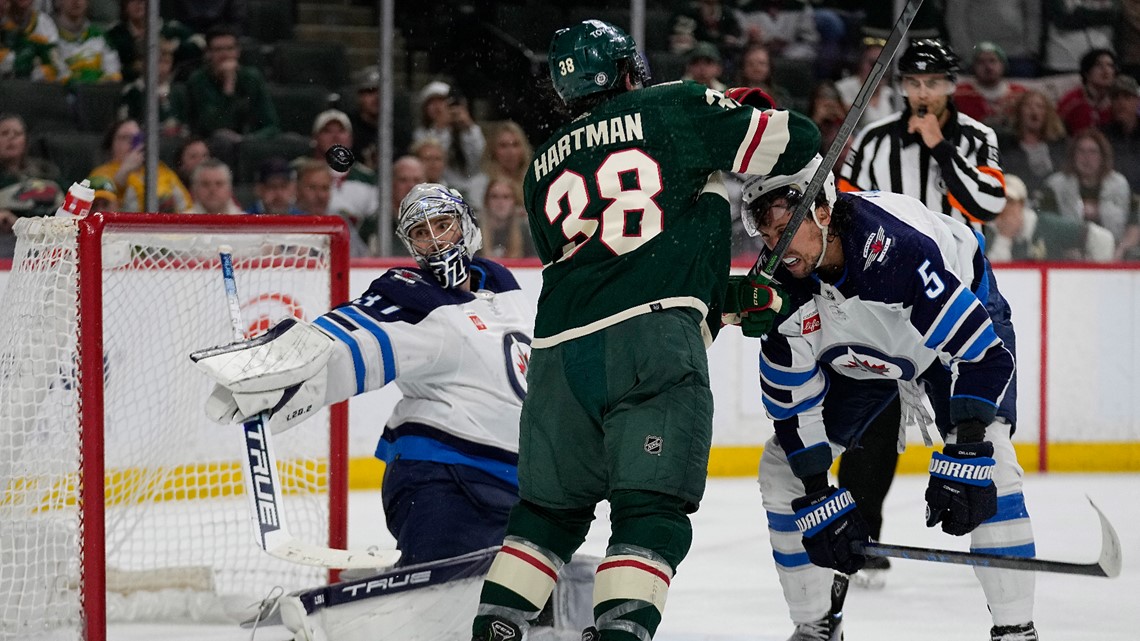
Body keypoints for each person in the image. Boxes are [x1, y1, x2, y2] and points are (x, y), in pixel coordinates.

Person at [469, 19, 820, 641]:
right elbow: (796, 142)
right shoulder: (673, 106)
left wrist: (728, 302)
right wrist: (738, 106)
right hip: (650, 348)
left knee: (546, 517)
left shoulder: (540, 168)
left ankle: (495, 626)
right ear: (629, 70)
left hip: (555, 358)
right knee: (650, 512)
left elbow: (618, 265)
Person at [738, 155, 1037, 641]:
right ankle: (816, 625)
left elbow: (984, 357)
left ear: (822, 213)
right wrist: (817, 493)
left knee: (994, 463)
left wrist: (969, 446)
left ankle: (1016, 631)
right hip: (859, 351)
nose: (776, 248)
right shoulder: (777, 290)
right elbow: (792, 407)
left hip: (948, 344)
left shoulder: (895, 249)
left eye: (784, 229)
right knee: (781, 470)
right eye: (767, 235)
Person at [191, 183, 534, 567]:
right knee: (439, 603)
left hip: (515, 489)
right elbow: (345, 344)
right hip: (447, 482)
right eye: (421, 233)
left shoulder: (502, 284)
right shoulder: (413, 299)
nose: (435, 241)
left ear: (467, 225)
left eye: (443, 224)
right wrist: (277, 374)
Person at [838, 38, 1007, 589]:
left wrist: (940, 149)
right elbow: (846, 213)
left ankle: (991, 531)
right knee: (872, 425)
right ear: (901, 86)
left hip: (959, 294)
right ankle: (861, 536)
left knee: (975, 421)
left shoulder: (977, 138)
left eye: (933, 83)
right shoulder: (874, 141)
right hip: (886, 301)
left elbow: (989, 205)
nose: (923, 93)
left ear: (952, 86)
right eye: (913, 82)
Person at [181, 24, 278, 164]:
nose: (225, 54)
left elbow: (272, 125)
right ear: (208, 53)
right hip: (211, 144)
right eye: (218, 49)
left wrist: (246, 140)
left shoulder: (252, 77)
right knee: (223, 142)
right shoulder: (198, 80)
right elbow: (215, 127)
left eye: (230, 48)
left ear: (237, 51)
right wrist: (229, 85)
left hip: (246, 141)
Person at [1041, 128, 1139, 259]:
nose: (1087, 158)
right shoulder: (1056, 186)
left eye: (1093, 152)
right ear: (1073, 155)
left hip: (1114, 254)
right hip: (1067, 257)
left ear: (1103, 156)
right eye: (1081, 151)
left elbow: (1135, 225)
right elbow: (1045, 226)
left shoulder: (1120, 185)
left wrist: (1121, 249)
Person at [985, 173, 1115, 262]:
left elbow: (1103, 239)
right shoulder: (985, 232)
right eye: (999, 201)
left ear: (1022, 205)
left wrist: (1095, 276)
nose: (1004, 208)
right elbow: (995, 277)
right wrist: (1004, 238)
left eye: (1010, 201)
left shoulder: (1046, 225)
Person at [88, 118, 191, 213]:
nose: (131, 142)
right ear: (111, 145)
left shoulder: (160, 170)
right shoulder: (101, 173)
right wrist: (124, 171)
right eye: (124, 137)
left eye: (136, 138)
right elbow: (100, 208)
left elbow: (187, 207)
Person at [998, 90, 1068, 204]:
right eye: (1028, 106)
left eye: (1040, 106)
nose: (1034, 110)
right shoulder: (1007, 146)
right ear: (1019, 112)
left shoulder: (1059, 146)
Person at [952, 42, 1027, 134]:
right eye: (981, 62)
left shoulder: (1020, 93)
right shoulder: (959, 93)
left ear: (1003, 65)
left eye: (992, 61)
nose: (988, 67)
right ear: (973, 67)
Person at [53, 0, 121, 84]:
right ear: (58, 2)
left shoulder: (99, 35)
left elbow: (113, 73)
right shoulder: (49, 37)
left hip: (97, 93)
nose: (76, 1)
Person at [1055, 48, 1117, 136]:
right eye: (1099, 65)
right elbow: (1054, 128)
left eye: (1110, 65)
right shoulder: (1072, 101)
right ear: (1087, 72)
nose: (1106, 70)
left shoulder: (1119, 100)